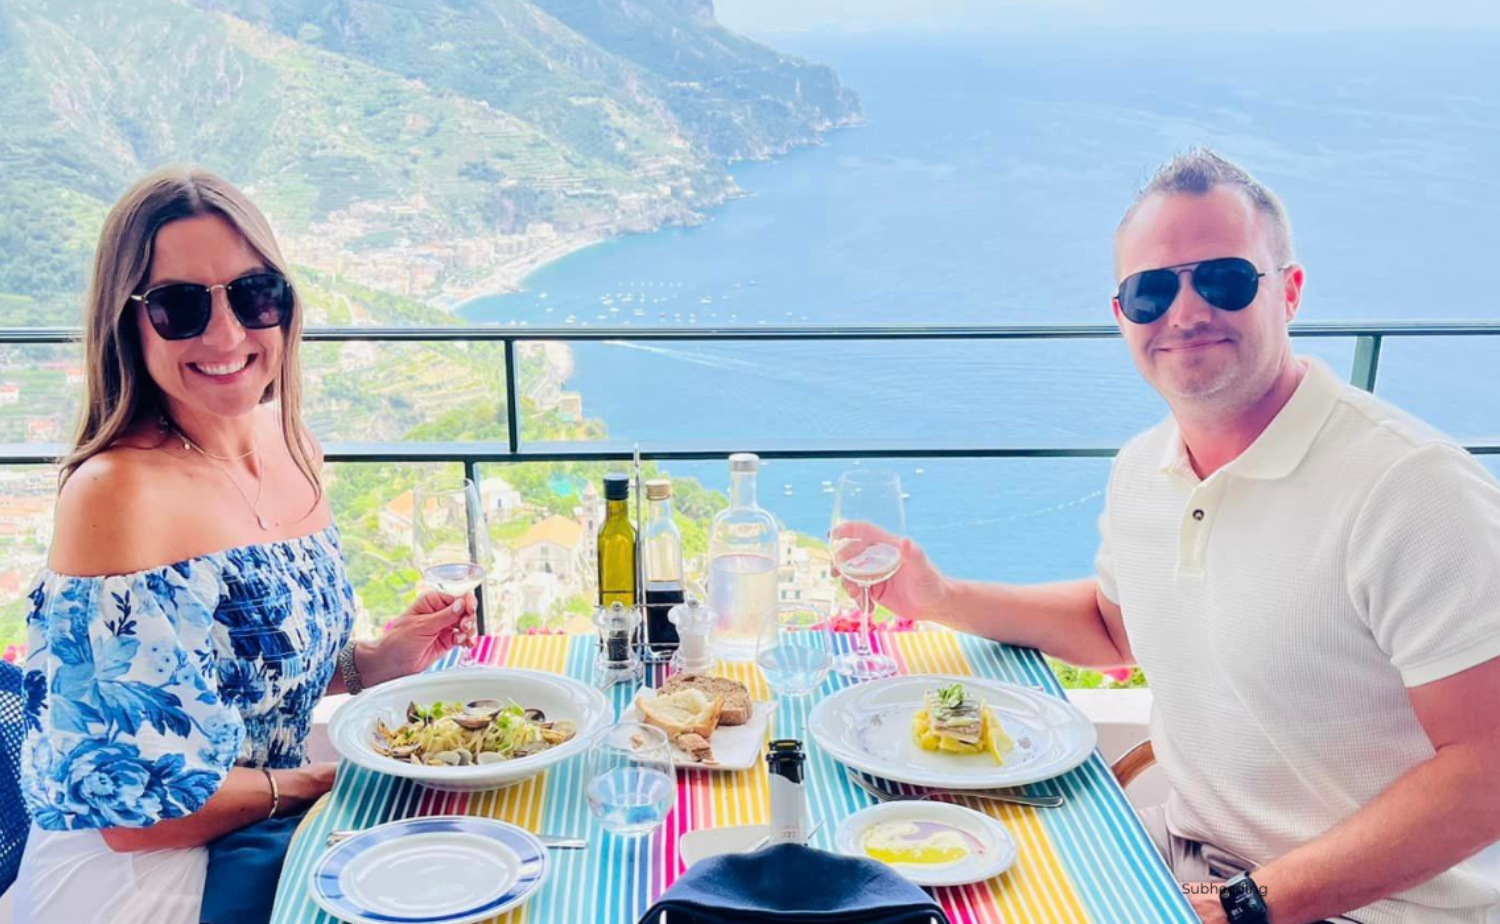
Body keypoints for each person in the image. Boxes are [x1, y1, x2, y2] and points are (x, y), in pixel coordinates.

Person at [850, 150, 1500, 924]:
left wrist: (1242, 905)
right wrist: (940, 596)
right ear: (1122, 313)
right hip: (1184, 870)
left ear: (1288, 292)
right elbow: (1114, 625)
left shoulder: (1410, 487)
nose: (1184, 312)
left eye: (1223, 279)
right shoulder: (1144, 468)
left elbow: (1488, 769)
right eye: (1151, 290)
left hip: (1366, 910)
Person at [13, 167, 479, 924]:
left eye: (254, 293)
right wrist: (317, 785)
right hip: (152, 878)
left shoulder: (291, 444)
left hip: (260, 826)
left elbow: (239, 684)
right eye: (180, 306)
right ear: (128, 322)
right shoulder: (117, 493)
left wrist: (373, 662)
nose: (226, 334)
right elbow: (131, 814)